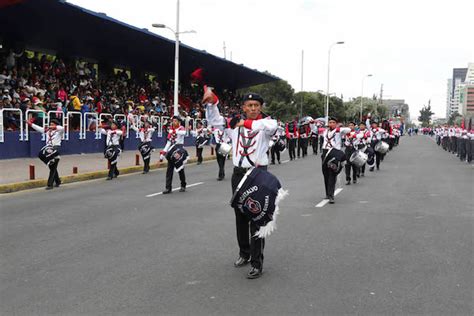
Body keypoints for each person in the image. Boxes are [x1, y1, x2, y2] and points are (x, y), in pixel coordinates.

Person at [205, 88, 277, 279]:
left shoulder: (266, 123)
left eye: (256, 106)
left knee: (257, 217)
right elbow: (215, 121)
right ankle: (244, 253)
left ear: (260, 107)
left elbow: (269, 127)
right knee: (240, 216)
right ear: (243, 107)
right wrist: (213, 102)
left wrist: (244, 122)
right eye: (249, 106)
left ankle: (256, 262)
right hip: (239, 174)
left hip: (258, 175)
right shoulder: (233, 125)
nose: (253, 108)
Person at [28, 118, 64, 189]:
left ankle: (50, 185)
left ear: (56, 125)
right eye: (50, 124)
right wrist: (30, 124)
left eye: (52, 124)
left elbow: (62, 128)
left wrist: (54, 127)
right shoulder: (48, 131)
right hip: (48, 149)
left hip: (55, 149)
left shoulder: (59, 131)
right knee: (41, 155)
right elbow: (39, 128)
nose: (50, 126)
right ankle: (57, 181)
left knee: (53, 168)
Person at [321, 117, 350, 204]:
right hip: (325, 152)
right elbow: (314, 129)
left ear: (336, 124)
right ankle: (327, 193)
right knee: (325, 174)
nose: (332, 124)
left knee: (332, 174)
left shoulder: (339, 131)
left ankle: (331, 195)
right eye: (330, 122)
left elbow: (348, 129)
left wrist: (338, 128)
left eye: (333, 122)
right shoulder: (325, 131)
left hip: (334, 153)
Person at [160, 116, 187, 194]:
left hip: (179, 149)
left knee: (180, 169)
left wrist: (174, 131)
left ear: (179, 122)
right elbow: (169, 142)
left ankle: (183, 185)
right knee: (169, 170)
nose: (174, 122)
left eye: (175, 121)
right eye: (173, 121)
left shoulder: (181, 128)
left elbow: (184, 133)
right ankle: (168, 188)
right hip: (171, 150)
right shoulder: (171, 130)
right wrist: (163, 152)